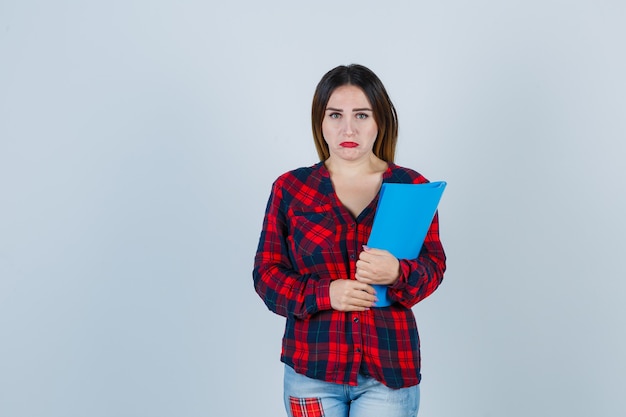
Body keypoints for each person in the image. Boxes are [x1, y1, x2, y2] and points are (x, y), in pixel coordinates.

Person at [253, 64, 446, 417]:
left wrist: (398, 273)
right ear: (320, 121)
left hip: (389, 372)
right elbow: (266, 276)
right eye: (335, 115)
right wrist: (325, 294)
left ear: (379, 121)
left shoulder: (413, 187)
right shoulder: (290, 189)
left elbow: (434, 267)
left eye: (361, 115)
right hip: (311, 370)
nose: (348, 128)